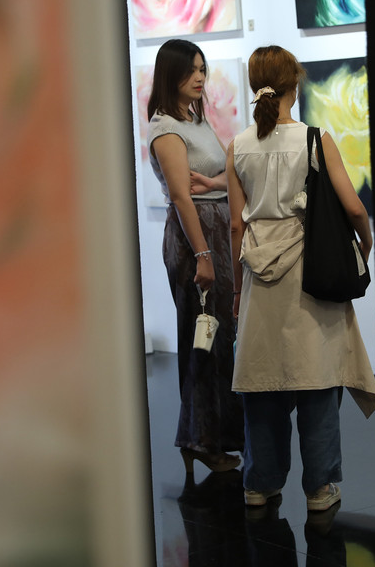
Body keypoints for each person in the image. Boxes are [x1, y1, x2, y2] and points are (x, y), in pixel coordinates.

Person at [225, 45, 375, 511]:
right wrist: (365, 245)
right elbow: (354, 208)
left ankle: (259, 484)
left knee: (261, 384)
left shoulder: (237, 145)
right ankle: (319, 489)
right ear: (295, 83)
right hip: (309, 274)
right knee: (317, 379)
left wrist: (236, 291)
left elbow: (235, 227)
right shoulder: (315, 139)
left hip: (258, 279)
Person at [147, 38, 244, 473]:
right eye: (193, 70)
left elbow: (226, 174)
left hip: (218, 232)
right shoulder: (167, 128)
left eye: (204, 69)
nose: (201, 77)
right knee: (204, 339)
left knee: (222, 338)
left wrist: (215, 183)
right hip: (195, 240)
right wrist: (203, 255)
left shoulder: (196, 120)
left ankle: (210, 436)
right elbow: (182, 199)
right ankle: (202, 440)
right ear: (173, 74)